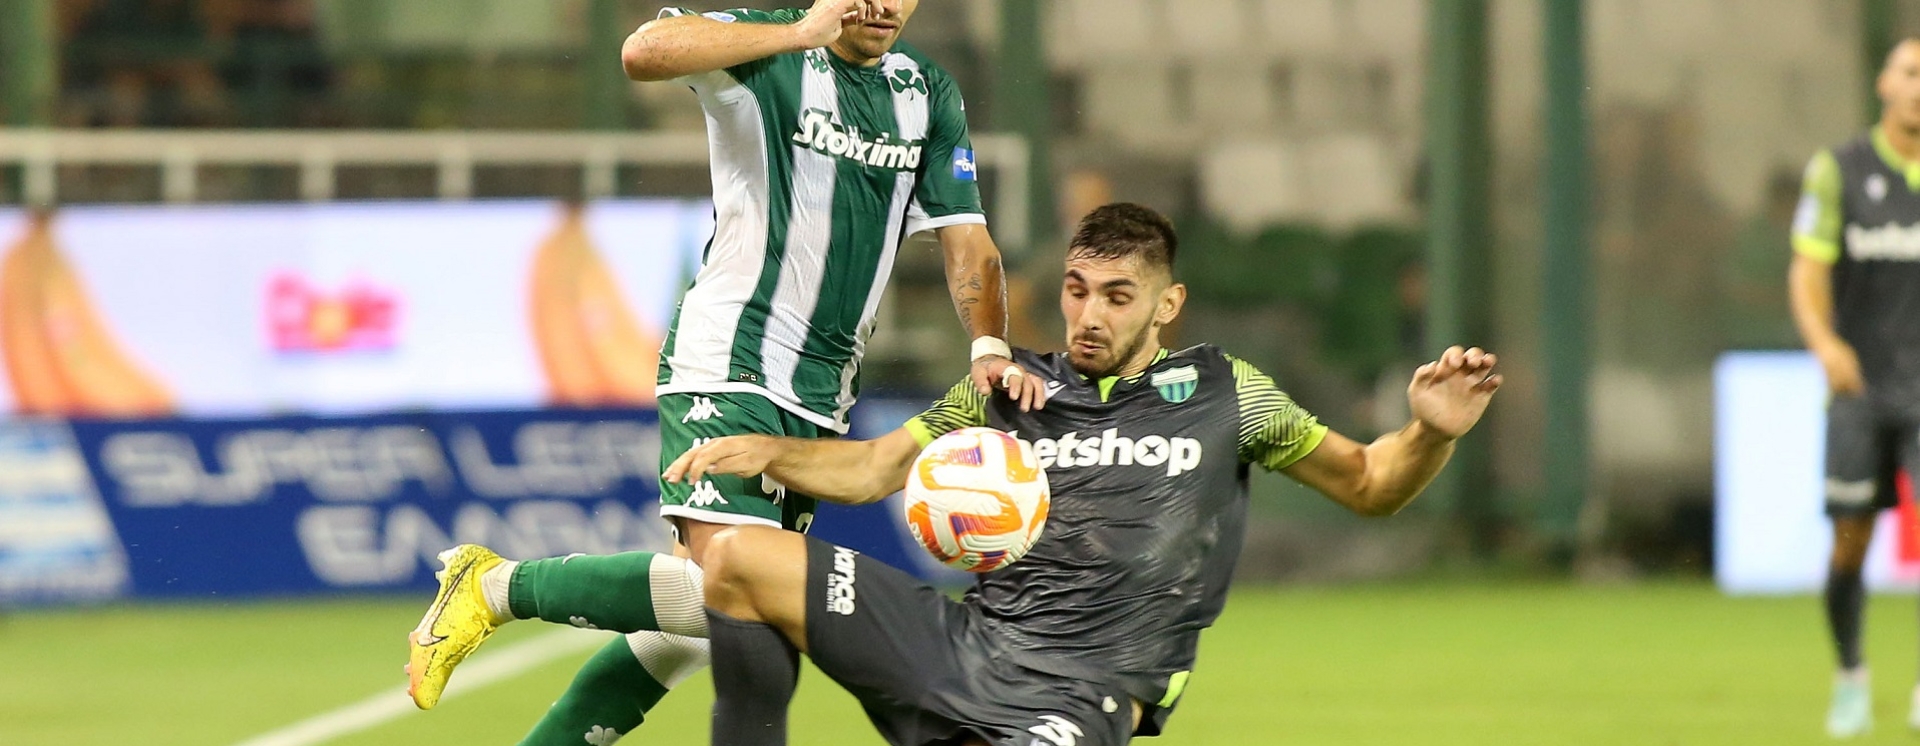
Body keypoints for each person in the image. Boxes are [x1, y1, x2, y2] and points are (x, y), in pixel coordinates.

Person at [403, 3, 1044, 744]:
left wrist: (988, 345)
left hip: (821, 392)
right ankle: (494, 585)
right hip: (731, 357)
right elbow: (644, 50)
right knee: (736, 592)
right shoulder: (768, 46)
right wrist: (799, 34)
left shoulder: (926, 91)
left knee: (705, 626)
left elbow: (968, 240)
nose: (884, 5)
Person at [666, 203, 1501, 745]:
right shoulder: (1005, 388)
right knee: (739, 558)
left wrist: (1429, 433)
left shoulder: (1228, 394)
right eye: (1076, 290)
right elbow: (872, 470)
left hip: (1080, 695)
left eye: (1116, 296)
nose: (1089, 314)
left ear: (1167, 305)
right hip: (958, 646)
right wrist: (772, 453)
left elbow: (1371, 483)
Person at [1791, 38, 1920, 739]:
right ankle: (1850, 675)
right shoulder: (1839, 169)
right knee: (1849, 543)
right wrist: (1824, 344)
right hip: (1860, 389)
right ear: (1884, 83)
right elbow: (1807, 269)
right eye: (1911, 73)